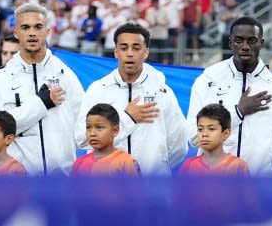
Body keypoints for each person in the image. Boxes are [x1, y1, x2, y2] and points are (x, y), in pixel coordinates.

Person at [187, 17, 272, 175]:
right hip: (213, 182)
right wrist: (238, 112)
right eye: (239, 40)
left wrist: (261, 167)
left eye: (252, 40)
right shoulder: (208, 80)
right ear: (230, 43)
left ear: (261, 43)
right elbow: (194, 137)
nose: (245, 46)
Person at [0, 2, 85, 175]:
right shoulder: (1, 79)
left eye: (38, 27)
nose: (32, 32)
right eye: (25, 27)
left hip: (60, 181)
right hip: (16, 182)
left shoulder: (66, 76)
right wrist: (41, 103)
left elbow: (84, 128)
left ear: (47, 31)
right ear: (16, 32)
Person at [75, 22, 188, 175]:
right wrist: (127, 117)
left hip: (152, 189)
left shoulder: (162, 93)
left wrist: (155, 169)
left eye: (136, 48)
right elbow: (81, 138)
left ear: (145, 52)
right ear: (115, 52)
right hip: (106, 187)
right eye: (123, 48)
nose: (129, 53)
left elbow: (179, 144)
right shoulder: (98, 90)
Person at [179, 104, 250, 175]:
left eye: (211, 129)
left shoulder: (238, 167)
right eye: (200, 129)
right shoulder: (189, 166)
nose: (204, 134)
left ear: (226, 133)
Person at [72, 103, 139, 175]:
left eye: (99, 127)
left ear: (115, 130)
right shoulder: (79, 164)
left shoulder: (126, 162)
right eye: (88, 128)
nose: (92, 133)